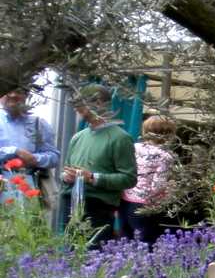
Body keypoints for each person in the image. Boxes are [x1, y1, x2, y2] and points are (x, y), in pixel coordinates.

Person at [60, 84, 136, 246]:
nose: (76, 108)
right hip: (70, 204)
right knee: (69, 259)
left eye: (81, 103)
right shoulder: (78, 137)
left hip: (98, 208)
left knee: (92, 261)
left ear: (99, 103)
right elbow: (66, 169)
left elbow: (129, 179)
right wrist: (66, 177)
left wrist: (92, 177)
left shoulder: (120, 138)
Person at [120, 115, 177, 246]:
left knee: (126, 241)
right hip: (146, 207)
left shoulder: (133, 148)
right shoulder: (165, 156)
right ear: (168, 134)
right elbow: (158, 186)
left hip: (124, 202)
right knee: (146, 244)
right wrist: (171, 187)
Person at [0, 86, 60, 208]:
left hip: (30, 192)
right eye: (7, 91)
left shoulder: (38, 124)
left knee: (27, 226)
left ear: (26, 96)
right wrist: (15, 151)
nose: (12, 95)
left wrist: (35, 159)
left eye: (18, 91)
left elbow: (54, 157)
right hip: (2, 186)